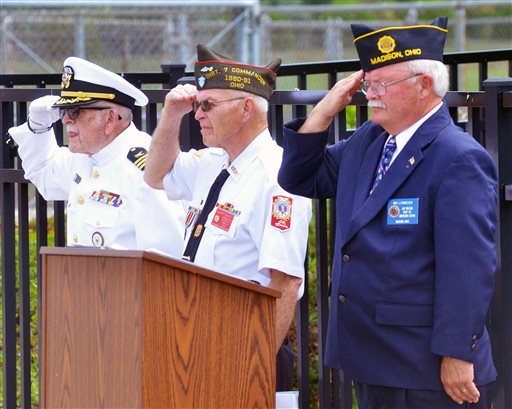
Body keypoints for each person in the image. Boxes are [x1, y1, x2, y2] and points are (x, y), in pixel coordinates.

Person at [278, 17, 498, 408]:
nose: (371, 95)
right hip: (372, 357)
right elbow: (300, 178)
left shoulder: (458, 157)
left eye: (383, 85)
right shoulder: (372, 141)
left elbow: (468, 266)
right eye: (368, 84)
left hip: (424, 367)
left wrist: (457, 353)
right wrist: (325, 110)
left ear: (424, 85)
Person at [144, 44, 312, 391]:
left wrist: (252, 364)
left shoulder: (278, 176)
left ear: (246, 108)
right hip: (197, 338)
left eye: (207, 105)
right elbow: (155, 175)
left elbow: (285, 282)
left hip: (245, 346)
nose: (198, 115)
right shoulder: (212, 163)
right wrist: (171, 115)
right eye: (197, 105)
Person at [8, 57, 186, 257]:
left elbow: (166, 259)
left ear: (110, 118)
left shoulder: (147, 169)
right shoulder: (85, 156)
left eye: (75, 111)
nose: (65, 119)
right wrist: (37, 126)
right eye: (64, 110)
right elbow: (44, 173)